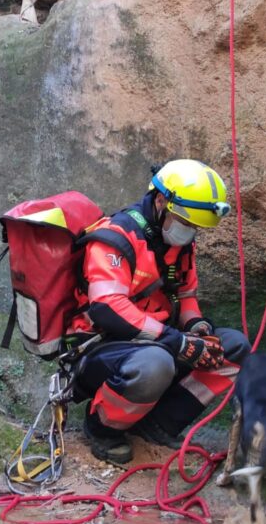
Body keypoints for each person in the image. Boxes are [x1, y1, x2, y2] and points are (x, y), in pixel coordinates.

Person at [67, 159, 251, 464]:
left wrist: (197, 328)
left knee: (232, 348)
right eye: (186, 222)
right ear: (162, 200)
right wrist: (174, 341)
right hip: (100, 349)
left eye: (195, 227)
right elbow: (107, 309)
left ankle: (158, 426)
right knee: (156, 363)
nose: (190, 231)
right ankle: (102, 427)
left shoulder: (177, 246)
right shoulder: (115, 238)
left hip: (155, 341)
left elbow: (186, 297)